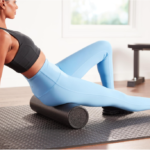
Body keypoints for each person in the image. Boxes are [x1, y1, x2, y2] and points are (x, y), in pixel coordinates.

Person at [1, 0, 150, 116]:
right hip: (54, 86)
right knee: (122, 98)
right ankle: (114, 100)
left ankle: (111, 104)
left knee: (104, 46)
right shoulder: (2, 37)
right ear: (2, 3)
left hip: (55, 71)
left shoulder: (5, 31)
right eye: (14, 2)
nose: (17, 6)